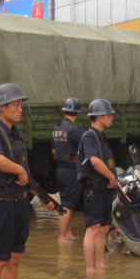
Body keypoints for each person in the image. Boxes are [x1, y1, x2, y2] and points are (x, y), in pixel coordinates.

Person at [0, 83, 58, 279]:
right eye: (15, 105)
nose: (20, 109)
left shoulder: (18, 136)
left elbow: (26, 177)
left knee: (15, 258)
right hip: (2, 205)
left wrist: (44, 198)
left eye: (21, 105)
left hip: (20, 205)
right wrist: (17, 169)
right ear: (1, 107)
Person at [76, 99, 118, 274]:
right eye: (109, 115)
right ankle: (90, 269)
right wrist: (111, 177)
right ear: (99, 116)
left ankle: (100, 264)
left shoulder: (101, 138)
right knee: (93, 229)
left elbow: (108, 166)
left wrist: (118, 186)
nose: (111, 118)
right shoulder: (89, 137)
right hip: (95, 188)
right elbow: (94, 161)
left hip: (105, 189)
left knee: (104, 228)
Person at [52, 97, 85, 243]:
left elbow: (53, 151)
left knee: (68, 203)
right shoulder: (75, 130)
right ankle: (61, 238)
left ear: (64, 111)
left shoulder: (57, 128)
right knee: (67, 205)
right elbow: (88, 146)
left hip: (61, 168)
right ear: (77, 113)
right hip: (71, 168)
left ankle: (68, 235)